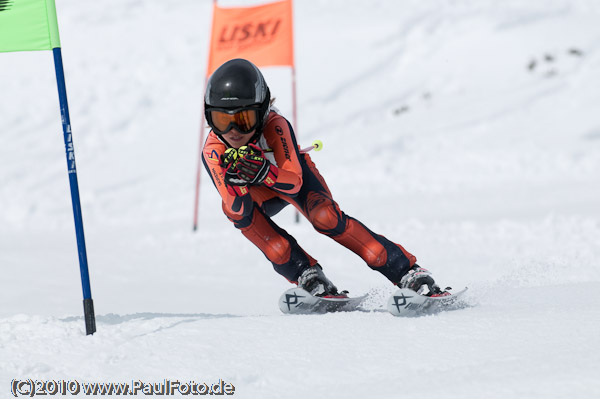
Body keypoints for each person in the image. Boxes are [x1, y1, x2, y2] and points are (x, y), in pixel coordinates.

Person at [202, 58, 443, 298]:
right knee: (233, 211)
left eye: (244, 120)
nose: (233, 132)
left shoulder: (274, 124)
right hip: (260, 190)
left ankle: (407, 272)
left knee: (325, 217)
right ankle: (306, 274)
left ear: (262, 111)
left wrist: (264, 171)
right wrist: (239, 185)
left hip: (288, 175)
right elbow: (239, 209)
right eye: (221, 121)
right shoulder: (213, 149)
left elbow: (294, 181)